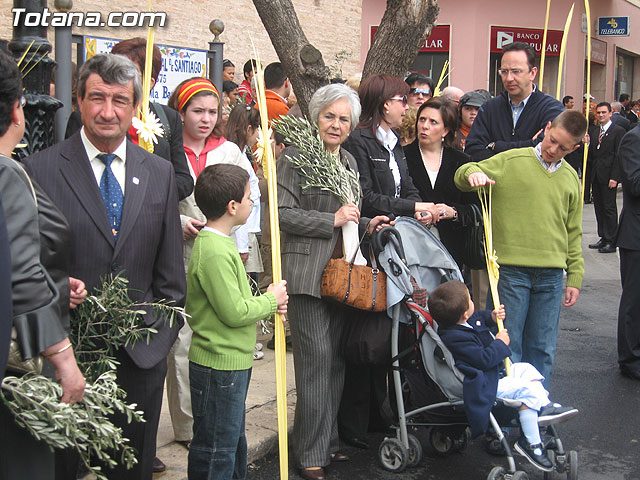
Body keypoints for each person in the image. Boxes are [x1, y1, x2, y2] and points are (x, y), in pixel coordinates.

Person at [25, 54, 186, 480]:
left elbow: (171, 278)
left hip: (140, 362)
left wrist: (155, 349)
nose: (108, 111)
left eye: (120, 100)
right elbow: (23, 270)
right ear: (79, 100)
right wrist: (60, 290)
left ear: (136, 108)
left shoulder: (160, 173)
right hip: (64, 360)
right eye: (97, 97)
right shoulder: (38, 171)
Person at [277, 83, 390, 480]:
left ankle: (326, 442)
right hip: (308, 276)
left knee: (337, 362)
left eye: (344, 119)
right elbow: (279, 214)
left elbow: (351, 213)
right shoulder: (295, 158)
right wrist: (332, 220)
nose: (336, 124)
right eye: (330, 116)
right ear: (315, 116)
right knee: (316, 363)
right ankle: (308, 451)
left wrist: (366, 221)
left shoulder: (347, 163)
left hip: (345, 275)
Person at [0, 49, 86, 479]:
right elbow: (19, 273)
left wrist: (55, 283)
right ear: (18, 110)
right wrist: (64, 358)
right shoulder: (6, 174)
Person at [454, 110, 588, 386]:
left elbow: (573, 231)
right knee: (506, 345)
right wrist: (473, 173)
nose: (552, 149)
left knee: (542, 347)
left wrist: (575, 274)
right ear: (547, 127)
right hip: (510, 270)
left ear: (574, 148)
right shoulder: (512, 160)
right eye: (551, 140)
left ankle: (534, 412)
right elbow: (462, 172)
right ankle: (504, 415)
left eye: (563, 148)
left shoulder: (571, 178)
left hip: (551, 275)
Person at [339, 74, 436, 453]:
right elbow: (367, 196)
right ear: (384, 104)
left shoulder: (396, 143)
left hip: (397, 247)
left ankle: (380, 412)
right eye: (402, 99)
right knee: (368, 335)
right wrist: (413, 207)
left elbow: (406, 188)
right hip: (370, 248)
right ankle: (354, 420)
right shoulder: (360, 141)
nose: (407, 105)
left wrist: (423, 209)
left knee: (392, 333)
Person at [186, 163, 288, 480]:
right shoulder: (214, 248)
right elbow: (234, 311)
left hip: (230, 362)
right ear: (232, 207)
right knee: (217, 449)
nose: (252, 202)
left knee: (230, 444)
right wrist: (271, 300)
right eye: (248, 197)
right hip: (220, 365)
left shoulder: (220, 241)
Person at [429, 280, 579, 471]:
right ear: (464, 313)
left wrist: (491, 317)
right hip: (485, 383)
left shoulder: (463, 322)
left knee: (527, 370)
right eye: (470, 300)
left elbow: (478, 319)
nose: (473, 301)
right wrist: (500, 343)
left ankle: (544, 407)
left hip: (494, 374)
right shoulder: (455, 338)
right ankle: (531, 444)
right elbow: (483, 359)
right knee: (525, 389)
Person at [65, 37, 193, 203]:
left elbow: (184, 180)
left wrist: (145, 193)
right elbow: (71, 171)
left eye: (129, 73)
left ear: (150, 82)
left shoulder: (168, 118)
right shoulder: (88, 118)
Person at [404, 97, 476, 269]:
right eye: (422, 119)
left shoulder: (462, 161)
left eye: (433, 122)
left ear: (445, 130)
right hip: (410, 247)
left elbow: (475, 209)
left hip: (451, 249)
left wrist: (453, 212)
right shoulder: (402, 156)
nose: (425, 126)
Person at [465, 42, 564, 162]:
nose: (509, 78)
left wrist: (496, 146)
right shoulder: (489, 108)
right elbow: (473, 150)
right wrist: (530, 144)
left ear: (532, 73)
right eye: (504, 71)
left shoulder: (552, 109)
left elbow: (546, 149)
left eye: (516, 71)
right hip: (495, 180)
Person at [616, 124, 640, 380]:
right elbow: (634, 184)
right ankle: (630, 359)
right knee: (635, 300)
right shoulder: (633, 139)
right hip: (636, 236)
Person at [587, 102, 625, 254]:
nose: (601, 115)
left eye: (604, 112)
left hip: (609, 176)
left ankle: (611, 239)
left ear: (610, 113)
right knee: (599, 207)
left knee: (609, 208)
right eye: (599, 113)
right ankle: (603, 236)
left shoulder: (618, 131)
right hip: (597, 175)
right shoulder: (595, 131)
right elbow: (593, 155)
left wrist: (615, 177)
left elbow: (618, 155)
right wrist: (587, 144)